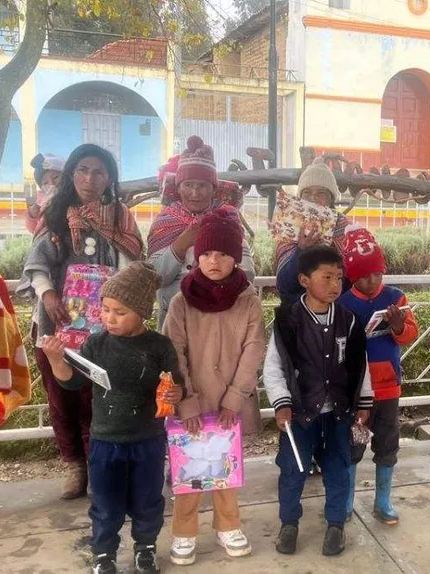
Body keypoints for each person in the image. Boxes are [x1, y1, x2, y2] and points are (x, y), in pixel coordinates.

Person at [19, 144, 144, 500]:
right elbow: (38, 264)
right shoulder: (56, 214)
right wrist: (48, 295)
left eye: (99, 171)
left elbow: (131, 263)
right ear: (72, 174)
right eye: (83, 170)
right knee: (61, 398)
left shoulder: (121, 218)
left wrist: (118, 303)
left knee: (99, 396)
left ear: (110, 178)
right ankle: (74, 466)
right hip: (56, 324)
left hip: (106, 326)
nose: (90, 179)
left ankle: (100, 464)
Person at [42, 262, 184, 574]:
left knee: (148, 500)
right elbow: (72, 382)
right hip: (105, 441)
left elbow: (175, 383)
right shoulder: (96, 343)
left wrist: (176, 393)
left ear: (141, 312)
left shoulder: (159, 346)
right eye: (105, 309)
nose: (109, 318)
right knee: (105, 503)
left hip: (148, 440)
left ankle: (145, 548)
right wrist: (55, 359)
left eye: (120, 312)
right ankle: (104, 553)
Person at [162, 208, 264, 565]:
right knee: (188, 470)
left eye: (222, 253)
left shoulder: (248, 300)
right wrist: (186, 402)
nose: (213, 261)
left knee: (225, 469)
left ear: (236, 257)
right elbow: (172, 353)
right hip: (191, 403)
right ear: (196, 256)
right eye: (205, 253)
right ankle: (184, 531)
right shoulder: (181, 301)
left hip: (228, 407)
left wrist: (235, 398)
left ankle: (228, 526)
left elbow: (254, 349)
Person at [262, 245, 373, 557]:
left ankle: (335, 525)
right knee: (293, 469)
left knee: (338, 467)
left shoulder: (350, 321)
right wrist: (282, 404)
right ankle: (289, 524)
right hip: (299, 413)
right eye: (327, 277)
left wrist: (364, 405)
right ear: (304, 280)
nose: (335, 284)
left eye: (339, 277)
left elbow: (359, 365)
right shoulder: (288, 320)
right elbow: (273, 367)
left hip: (339, 411)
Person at [337, 226, 418, 525]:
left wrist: (398, 326)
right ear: (352, 276)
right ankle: (345, 501)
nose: (373, 280)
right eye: (364, 275)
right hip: (355, 391)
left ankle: (383, 501)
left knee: (387, 445)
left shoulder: (396, 297)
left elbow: (410, 334)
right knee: (351, 445)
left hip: (387, 388)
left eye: (377, 273)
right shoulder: (342, 302)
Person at [148, 136, 255, 326]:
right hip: (175, 323)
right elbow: (153, 278)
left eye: (203, 185)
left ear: (214, 189)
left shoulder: (227, 219)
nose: (195, 193)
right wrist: (179, 246)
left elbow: (247, 274)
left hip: (221, 322)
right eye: (188, 185)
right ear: (178, 188)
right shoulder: (165, 221)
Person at [274, 158, 351, 306]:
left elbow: (351, 281)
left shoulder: (344, 228)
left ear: (331, 199)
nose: (313, 198)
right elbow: (284, 284)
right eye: (307, 192)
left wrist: (327, 254)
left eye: (321, 193)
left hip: (335, 311)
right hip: (296, 312)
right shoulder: (288, 225)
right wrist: (301, 251)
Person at [25, 152, 65, 234]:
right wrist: (32, 215)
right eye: (45, 183)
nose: (51, 184)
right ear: (41, 188)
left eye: (55, 177)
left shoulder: (75, 194)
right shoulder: (39, 200)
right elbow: (33, 230)